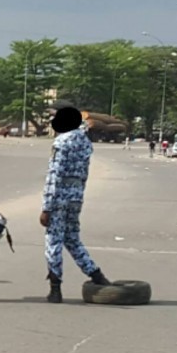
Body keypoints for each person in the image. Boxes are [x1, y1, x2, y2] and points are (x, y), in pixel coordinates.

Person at [40, 107, 111, 304]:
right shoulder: (85, 142)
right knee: (72, 239)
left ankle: (55, 287)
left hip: (60, 196)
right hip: (76, 195)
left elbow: (54, 175)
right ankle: (96, 274)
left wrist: (46, 207)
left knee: (53, 241)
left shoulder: (61, 142)